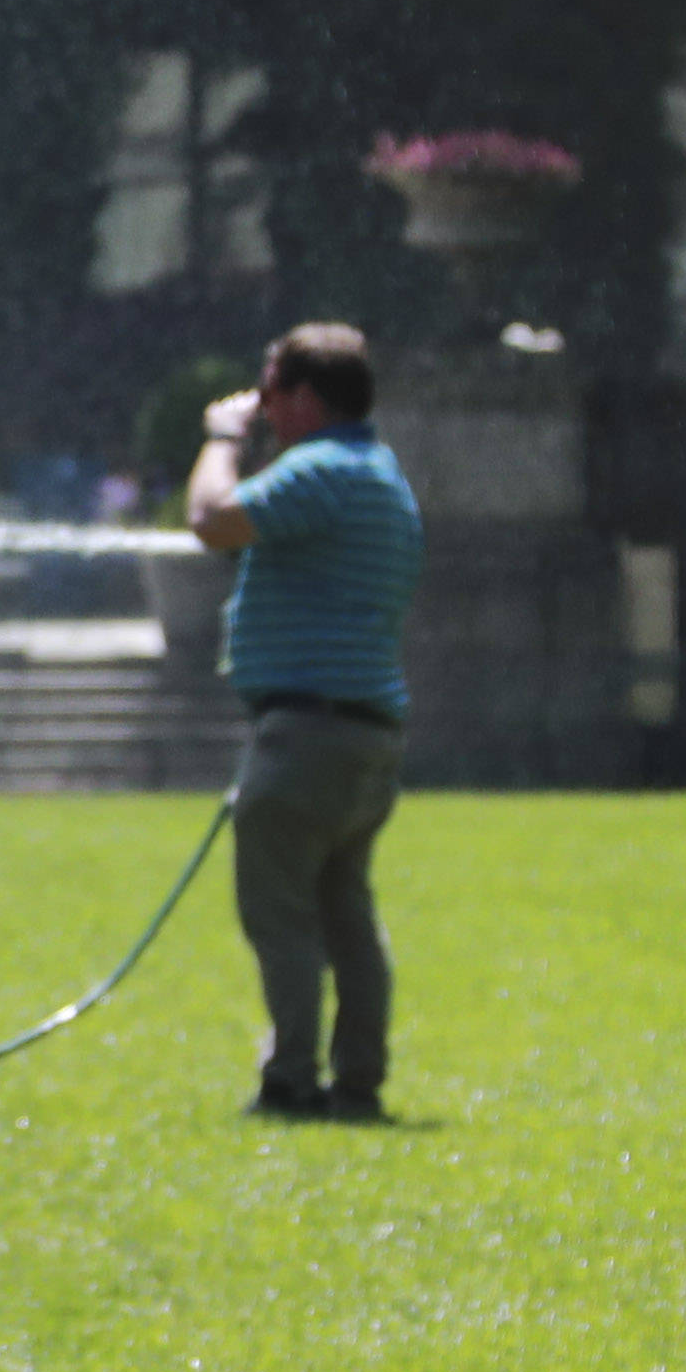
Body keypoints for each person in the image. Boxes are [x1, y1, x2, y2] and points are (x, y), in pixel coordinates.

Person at [188, 321, 424, 1122]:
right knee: (345, 913)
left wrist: (222, 440)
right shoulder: (379, 473)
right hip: (365, 731)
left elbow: (213, 521)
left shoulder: (321, 469)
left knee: (280, 912)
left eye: (270, 392)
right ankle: (357, 1080)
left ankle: (290, 1078)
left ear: (307, 396)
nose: (261, 407)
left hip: (308, 733)